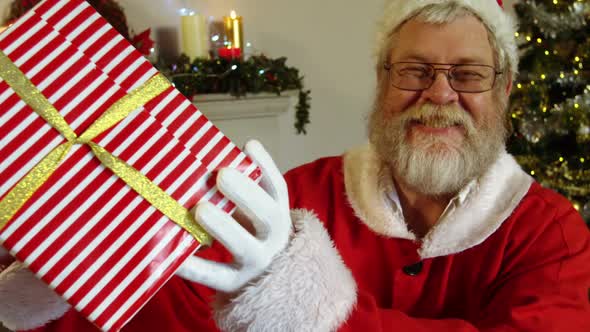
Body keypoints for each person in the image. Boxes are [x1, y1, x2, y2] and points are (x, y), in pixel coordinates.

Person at [1, 0, 589, 331]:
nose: (439, 94)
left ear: (506, 90)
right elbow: (179, 296)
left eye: (467, 74)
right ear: (383, 82)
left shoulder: (552, 233)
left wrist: (313, 308)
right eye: (413, 70)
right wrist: (62, 279)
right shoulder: (300, 193)